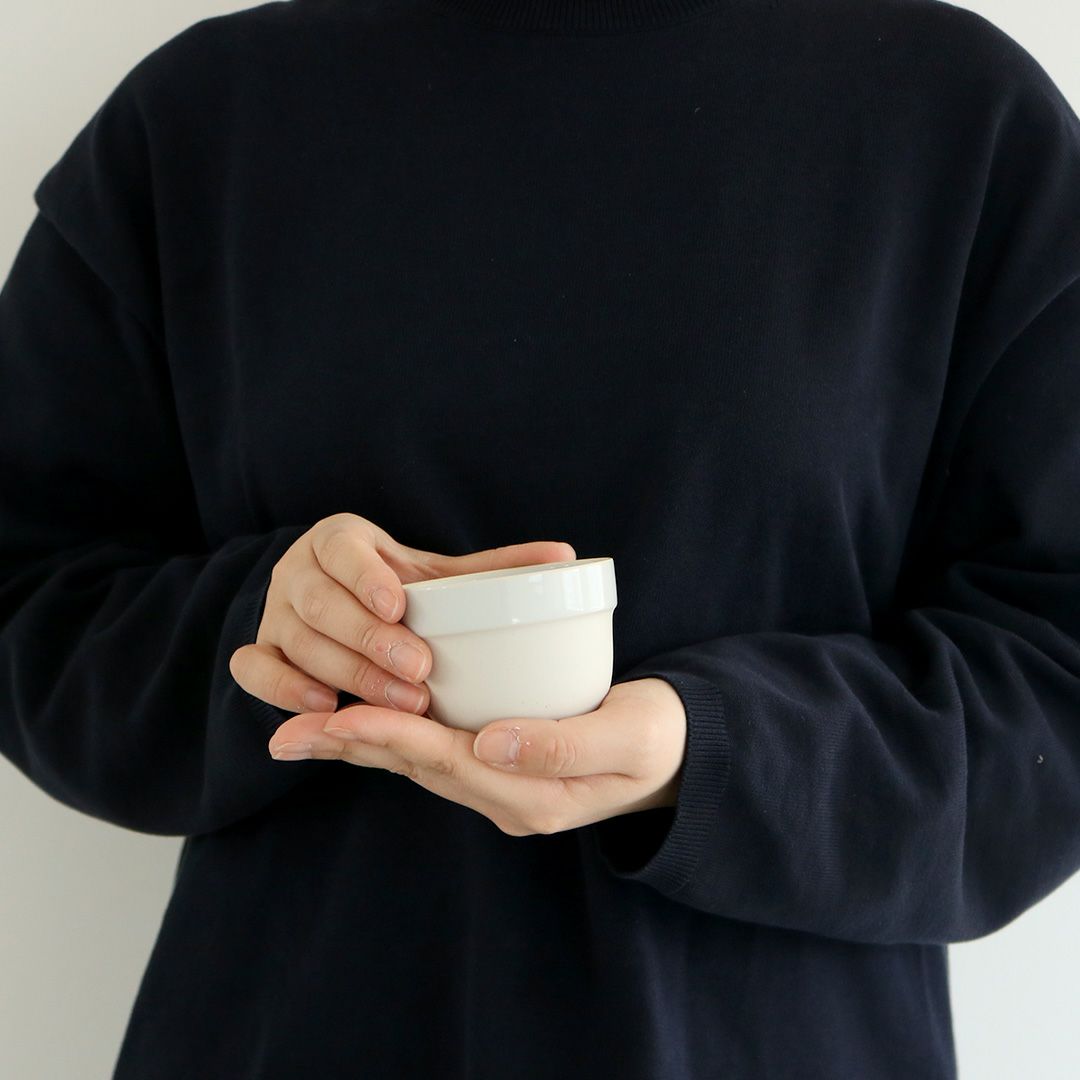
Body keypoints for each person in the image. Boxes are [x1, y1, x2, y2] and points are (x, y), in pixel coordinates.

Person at [2, 1, 1079, 1077]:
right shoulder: (207, 117)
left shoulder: (958, 117)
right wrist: (276, 633)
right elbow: (31, 588)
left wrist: (716, 754)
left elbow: (1054, 679)